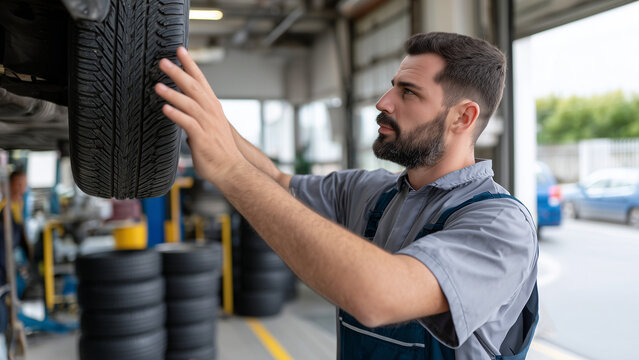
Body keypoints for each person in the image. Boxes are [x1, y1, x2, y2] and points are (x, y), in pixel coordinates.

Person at [154, 32, 538, 359]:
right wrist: (210, 118)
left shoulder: (500, 227)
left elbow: (378, 298)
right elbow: (272, 180)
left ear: (462, 117)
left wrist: (229, 172)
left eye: (407, 92)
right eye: (392, 86)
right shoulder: (369, 192)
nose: (383, 102)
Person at [0, 170, 29, 360]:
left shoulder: (19, 205)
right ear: (8, 185)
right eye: (17, 184)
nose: (21, 188)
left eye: (23, 184)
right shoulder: (4, 209)